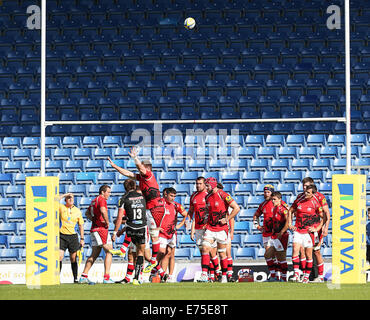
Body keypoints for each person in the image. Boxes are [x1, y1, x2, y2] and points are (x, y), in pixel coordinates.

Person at [108, 148, 162, 272]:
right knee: (134, 226)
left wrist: (135, 158)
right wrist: (115, 166)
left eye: (141, 167)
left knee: (154, 236)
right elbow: (128, 174)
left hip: (155, 209)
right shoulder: (142, 178)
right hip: (149, 209)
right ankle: (123, 250)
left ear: (147, 168)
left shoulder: (148, 175)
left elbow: (141, 169)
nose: (139, 169)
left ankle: (153, 261)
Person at [199, 177, 240, 283]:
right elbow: (208, 211)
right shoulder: (207, 197)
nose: (205, 188)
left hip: (222, 229)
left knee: (222, 254)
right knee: (205, 247)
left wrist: (227, 219)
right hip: (210, 228)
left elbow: (236, 208)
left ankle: (225, 276)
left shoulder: (223, 195)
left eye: (207, 185)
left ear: (213, 185)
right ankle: (204, 275)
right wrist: (206, 218)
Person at [290, 177, 331, 282]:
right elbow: (294, 210)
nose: (304, 188)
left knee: (316, 251)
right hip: (303, 229)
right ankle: (304, 274)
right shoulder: (301, 197)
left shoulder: (319, 197)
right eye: (303, 186)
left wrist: (324, 228)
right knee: (301, 250)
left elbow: (326, 213)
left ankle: (320, 276)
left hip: (316, 228)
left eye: (306, 186)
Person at [112, 179, 147, 285]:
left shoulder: (124, 198)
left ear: (125, 188)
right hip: (142, 227)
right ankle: (135, 278)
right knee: (138, 253)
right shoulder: (143, 197)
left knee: (132, 252)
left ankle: (122, 248)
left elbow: (119, 217)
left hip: (131, 227)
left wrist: (115, 232)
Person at [150, 187, 187, 282]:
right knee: (161, 252)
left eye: (174, 196)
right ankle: (154, 270)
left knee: (169, 253)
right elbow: (150, 215)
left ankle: (166, 276)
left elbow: (186, 214)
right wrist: (155, 227)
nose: (173, 198)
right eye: (171, 196)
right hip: (161, 233)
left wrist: (180, 225)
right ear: (165, 194)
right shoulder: (159, 204)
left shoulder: (176, 205)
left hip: (172, 233)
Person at [79, 184, 114, 284]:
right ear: (103, 192)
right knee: (109, 251)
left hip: (94, 229)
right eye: (108, 192)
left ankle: (83, 276)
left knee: (94, 254)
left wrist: (94, 220)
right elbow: (103, 211)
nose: (109, 194)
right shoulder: (102, 199)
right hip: (101, 229)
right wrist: (107, 222)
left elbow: (87, 213)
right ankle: (106, 278)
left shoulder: (94, 200)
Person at [253, 185, 288, 280]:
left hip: (277, 234)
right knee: (270, 256)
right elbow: (256, 215)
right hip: (267, 234)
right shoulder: (263, 204)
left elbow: (288, 214)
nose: (266, 194)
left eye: (268, 192)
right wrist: (257, 225)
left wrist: (283, 229)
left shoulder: (279, 203)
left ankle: (281, 277)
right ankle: (274, 276)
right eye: (265, 192)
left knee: (278, 256)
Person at [189, 177, 219, 281]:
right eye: (197, 183)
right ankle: (211, 275)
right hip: (198, 227)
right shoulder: (193, 196)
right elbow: (192, 211)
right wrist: (190, 225)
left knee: (210, 251)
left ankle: (212, 273)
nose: (198, 185)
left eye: (200, 184)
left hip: (209, 227)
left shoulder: (209, 195)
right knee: (203, 253)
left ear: (204, 184)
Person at [59, 193, 84, 283]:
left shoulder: (77, 211)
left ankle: (75, 278)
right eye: (68, 198)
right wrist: (65, 194)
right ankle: (57, 278)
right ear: (65, 200)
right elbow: (54, 200)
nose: (70, 199)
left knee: (73, 258)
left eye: (72, 198)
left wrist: (82, 238)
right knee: (59, 257)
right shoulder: (61, 207)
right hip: (62, 235)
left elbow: (81, 225)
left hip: (73, 236)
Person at [264, 191, 289, 282]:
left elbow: (288, 222)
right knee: (267, 255)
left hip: (281, 236)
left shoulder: (283, 210)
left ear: (279, 199)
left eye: (274, 199)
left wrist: (281, 233)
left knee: (281, 257)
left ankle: (283, 278)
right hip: (274, 236)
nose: (273, 201)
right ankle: (273, 276)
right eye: (272, 199)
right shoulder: (274, 209)